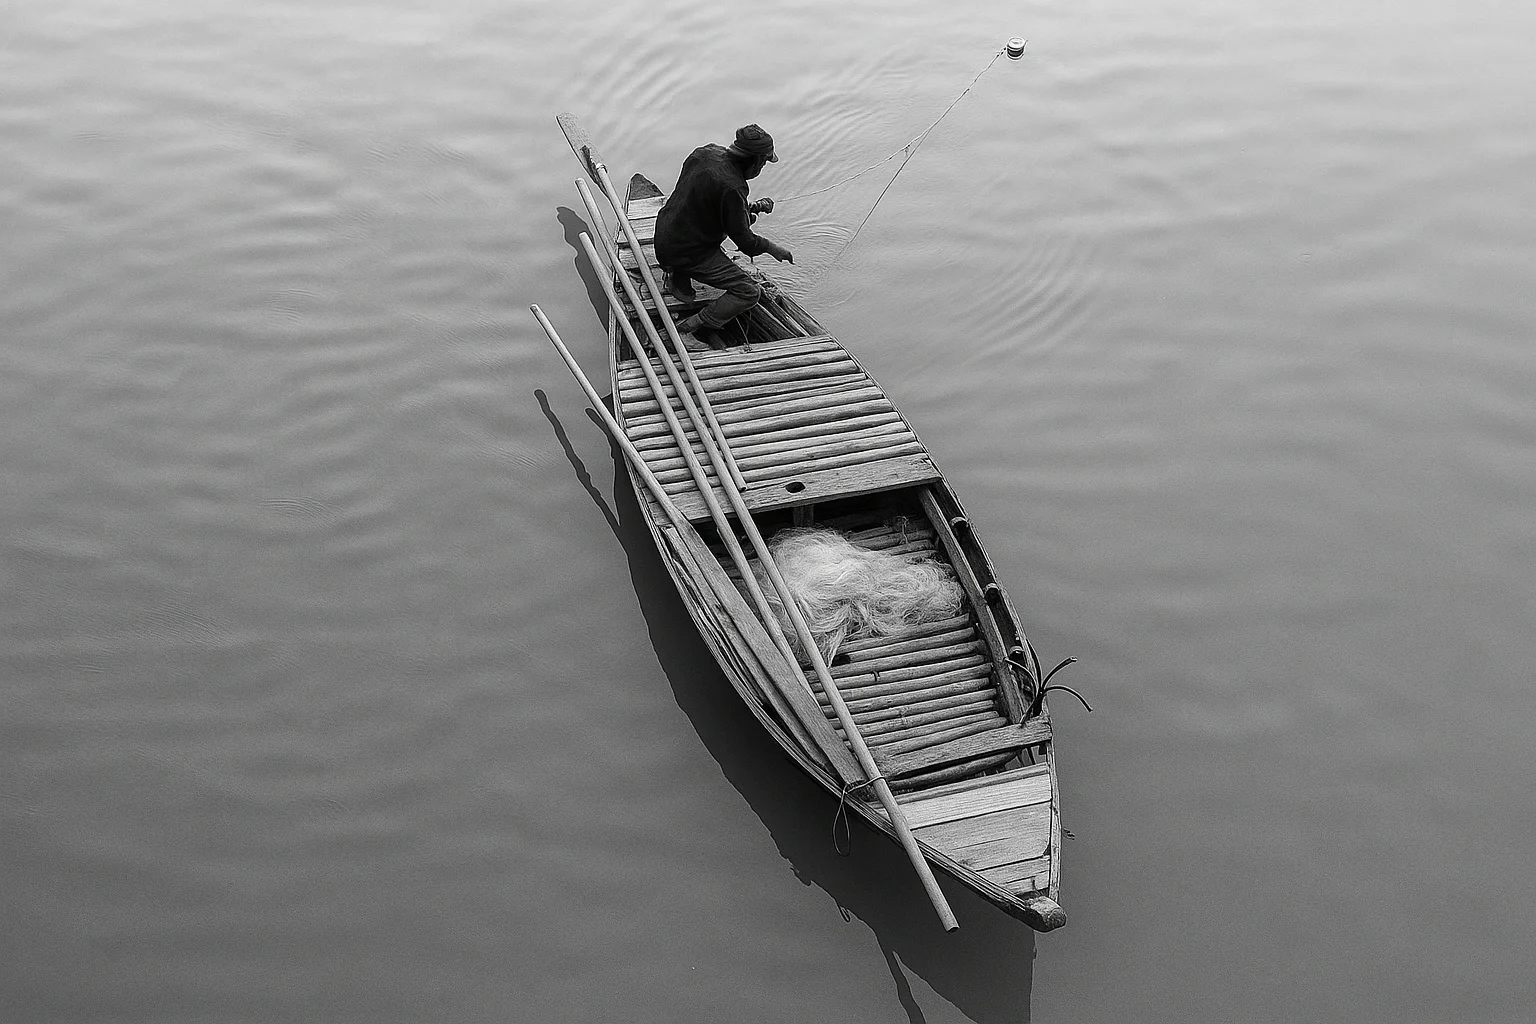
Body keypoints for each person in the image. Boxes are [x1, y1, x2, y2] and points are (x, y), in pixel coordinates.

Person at [654, 124, 795, 349]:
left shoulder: (704, 153)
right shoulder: (733, 187)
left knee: (700, 237)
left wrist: (748, 209)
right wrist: (773, 248)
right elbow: (746, 243)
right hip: (687, 251)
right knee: (748, 291)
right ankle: (687, 329)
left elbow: (706, 201)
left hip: (664, 235)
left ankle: (677, 277)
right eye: (764, 163)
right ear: (756, 161)